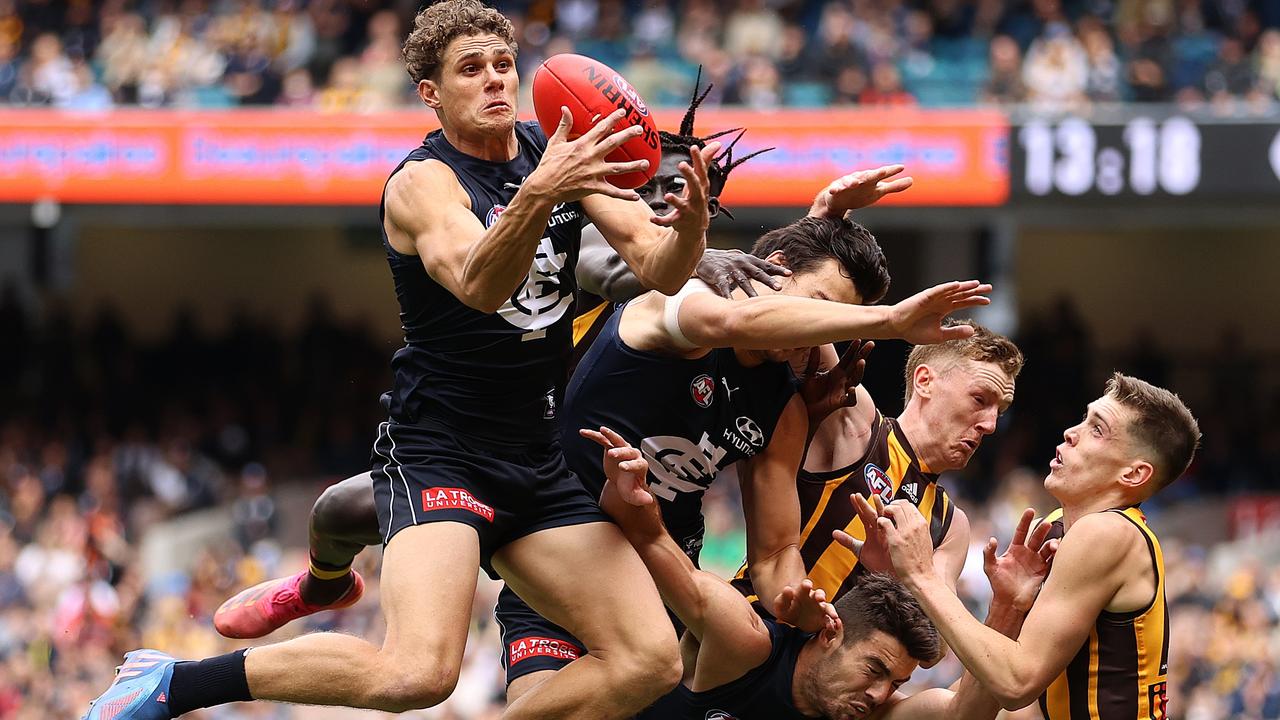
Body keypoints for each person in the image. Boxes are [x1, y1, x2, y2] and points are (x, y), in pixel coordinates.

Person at [83, 2, 722, 718]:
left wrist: (690, 224)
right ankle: (173, 682)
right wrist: (543, 192)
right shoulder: (423, 184)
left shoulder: (556, 149)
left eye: (504, 65)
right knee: (417, 676)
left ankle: (326, 579)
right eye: (471, 69)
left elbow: (659, 266)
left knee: (649, 660)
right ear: (432, 93)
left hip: (536, 460)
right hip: (440, 451)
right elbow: (481, 285)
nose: (494, 82)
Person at [500, 211, 994, 700]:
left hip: (660, 581)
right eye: (819, 305)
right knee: (603, 679)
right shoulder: (687, 302)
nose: (814, 331)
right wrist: (890, 321)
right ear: (774, 268)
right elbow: (738, 315)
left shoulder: (783, 408)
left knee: (641, 672)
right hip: (561, 544)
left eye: (829, 325)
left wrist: (798, 601)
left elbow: (776, 553)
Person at [585, 425, 1057, 720]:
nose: (878, 694)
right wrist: (630, 495)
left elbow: (963, 715)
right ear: (831, 632)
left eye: (894, 683)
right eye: (875, 670)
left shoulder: (870, 711)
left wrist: (1008, 606)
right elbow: (651, 543)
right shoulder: (745, 644)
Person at [874, 373, 1199, 719]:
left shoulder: (1108, 532)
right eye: (1084, 420)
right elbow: (982, 690)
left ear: (1134, 475)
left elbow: (1017, 685)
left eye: (1097, 429)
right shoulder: (1061, 526)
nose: (1071, 433)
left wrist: (922, 576)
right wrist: (1007, 609)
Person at [733, 321, 1024, 605]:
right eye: (979, 399)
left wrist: (904, 577)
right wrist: (894, 318)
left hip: (835, 652)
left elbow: (938, 645)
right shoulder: (858, 420)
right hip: (758, 622)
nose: (990, 425)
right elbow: (798, 314)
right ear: (924, 381)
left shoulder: (952, 525)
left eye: (1000, 411)